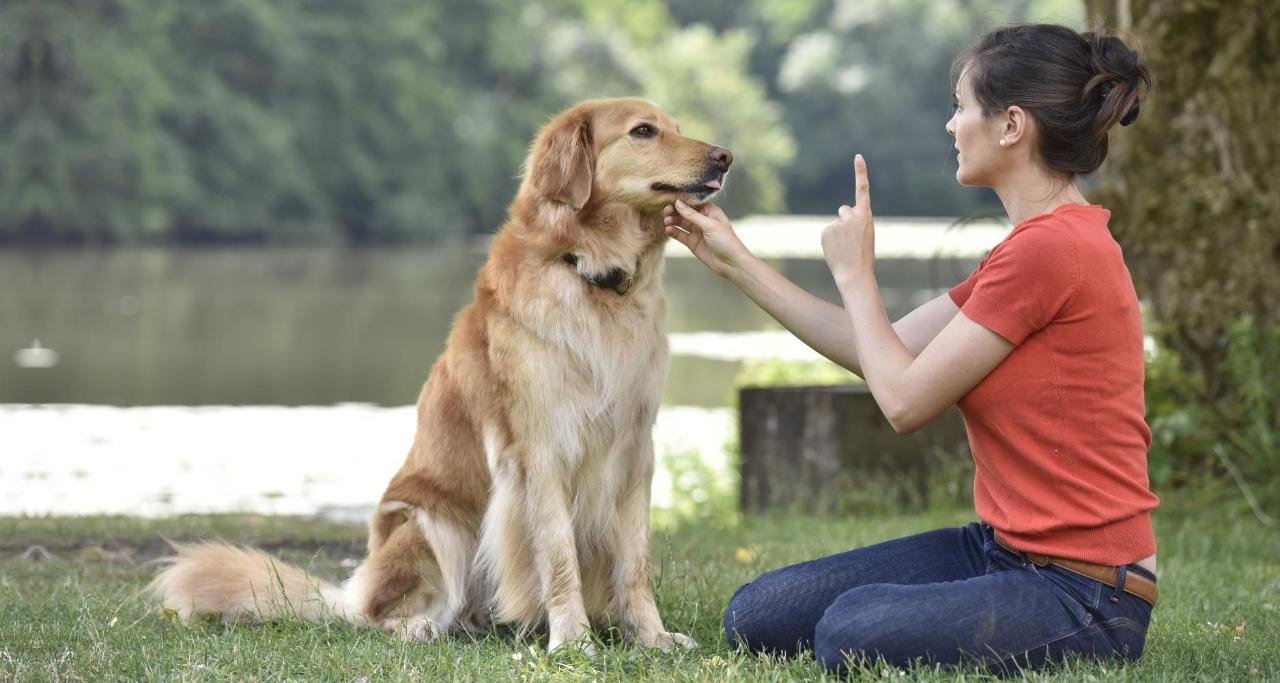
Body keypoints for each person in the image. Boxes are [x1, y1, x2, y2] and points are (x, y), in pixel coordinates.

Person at [663, 23, 1158, 674]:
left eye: (961, 106)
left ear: (1012, 125)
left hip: (1086, 592)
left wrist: (857, 275)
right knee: (756, 612)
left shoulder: (1051, 251)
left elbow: (900, 401)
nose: (951, 126)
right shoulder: (1030, 249)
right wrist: (735, 263)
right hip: (1006, 550)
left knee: (847, 631)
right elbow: (882, 351)